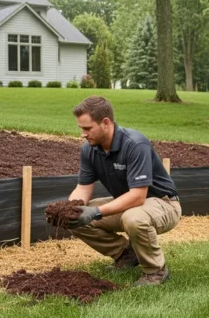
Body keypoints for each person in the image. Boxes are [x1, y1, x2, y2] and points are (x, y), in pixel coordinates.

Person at [66, 95, 181, 286]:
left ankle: (155, 271)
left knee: (133, 218)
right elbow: (83, 189)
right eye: (81, 129)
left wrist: (96, 212)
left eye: (87, 128)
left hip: (164, 203)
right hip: (130, 204)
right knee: (75, 216)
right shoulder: (90, 149)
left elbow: (138, 196)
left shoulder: (135, 144)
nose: (83, 134)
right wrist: (67, 210)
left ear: (105, 123)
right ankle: (126, 255)